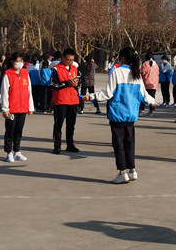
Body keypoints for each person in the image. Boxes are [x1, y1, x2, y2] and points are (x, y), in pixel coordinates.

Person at [87, 47, 155, 183]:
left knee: (119, 145)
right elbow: (143, 94)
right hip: (131, 114)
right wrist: (153, 102)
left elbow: (108, 93)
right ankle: (132, 170)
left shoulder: (116, 72)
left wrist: (91, 97)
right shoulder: (136, 73)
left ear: (122, 58)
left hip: (117, 114)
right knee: (130, 143)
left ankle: (122, 172)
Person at [1, 52, 35, 162]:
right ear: (12, 62)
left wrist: (30, 107)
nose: (19, 63)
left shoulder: (25, 73)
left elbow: (29, 90)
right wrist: (5, 109)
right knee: (10, 131)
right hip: (12, 108)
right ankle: (9, 152)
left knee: (19, 130)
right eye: (17, 61)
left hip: (23, 107)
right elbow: (4, 92)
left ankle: (17, 151)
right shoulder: (8, 74)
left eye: (21, 61)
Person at [50, 48, 81, 154]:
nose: (69, 62)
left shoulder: (74, 68)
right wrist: (67, 83)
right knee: (58, 124)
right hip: (61, 100)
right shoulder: (56, 69)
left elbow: (79, 79)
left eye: (71, 60)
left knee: (71, 125)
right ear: (62, 58)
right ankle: (57, 146)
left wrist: (77, 83)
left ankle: (70, 144)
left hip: (73, 100)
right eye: (68, 59)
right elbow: (54, 84)